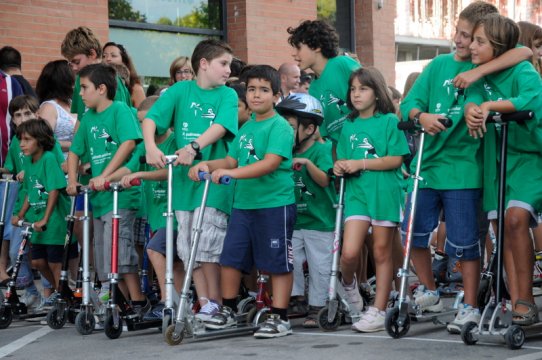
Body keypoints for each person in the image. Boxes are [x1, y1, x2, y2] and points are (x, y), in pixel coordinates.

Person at [400, 1, 533, 334]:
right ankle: (431, 290)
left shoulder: (496, 65)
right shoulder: (440, 66)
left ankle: (484, 303)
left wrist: (479, 81)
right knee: (414, 232)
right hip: (437, 164)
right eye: (459, 34)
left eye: (469, 36)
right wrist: (422, 116)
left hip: (477, 167)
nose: (462, 42)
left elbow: (523, 53)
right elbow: (411, 104)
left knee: (474, 238)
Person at [188, 65, 296, 338]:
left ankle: (280, 318)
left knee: (276, 262)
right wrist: (207, 164)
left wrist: (230, 173)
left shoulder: (280, 127)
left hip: (274, 205)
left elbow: (270, 164)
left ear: (276, 96)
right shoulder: (246, 128)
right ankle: (228, 311)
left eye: (263, 90)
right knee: (230, 259)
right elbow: (230, 161)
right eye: (251, 90)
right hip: (243, 206)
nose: (256, 95)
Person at [142, 39, 238, 321]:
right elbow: (151, 120)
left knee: (207, 241)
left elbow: (220, 127)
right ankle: (205, 301)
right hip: (184, 184)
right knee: (187, 247)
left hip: (212, 183)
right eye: (223, 64)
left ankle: (218, 305)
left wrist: (194, 147)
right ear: (204, 64)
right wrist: (150, 146)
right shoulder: (180, 90)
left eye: (229, 65)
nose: (228, 70)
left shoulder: (227, 95)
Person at [465, 13, 542, 326]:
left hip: (529, 157)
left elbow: (530, 100)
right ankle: (514, 300)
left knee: (516, 219)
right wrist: (472, 110)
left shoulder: (525, 71)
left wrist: (489, 107)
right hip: (497, 161)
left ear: (497, 45)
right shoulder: (477, 75)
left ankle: (525, 300)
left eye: (479, 41)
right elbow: (471, 98)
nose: (471, 46)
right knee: (502, 231)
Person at [66, 63, 150, 315]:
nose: (80, 94)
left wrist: (105, 175)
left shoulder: (120, 110)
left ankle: (138, 302)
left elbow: (127, 144)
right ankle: (121, 303)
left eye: (84, 88)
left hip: (121, 196)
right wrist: (72, 180)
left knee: (120, 253)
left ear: (101, 89)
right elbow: (74, 151)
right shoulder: (88, 118)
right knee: (105, 258)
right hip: (100, 199)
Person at [334, 67, 409, 332]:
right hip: (357, 195)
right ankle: (351, 291)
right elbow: (342, 159)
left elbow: (396, 159)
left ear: (377, 93)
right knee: (349, 252)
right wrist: (339, 166)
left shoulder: (389, 121)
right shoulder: (348, 125)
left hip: (385, 194)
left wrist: (359, 162)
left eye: (363, 89)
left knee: (381, 251)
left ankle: (378, 310)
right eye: (353, 89)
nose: (356, 94)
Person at [107, 96, 185, 320]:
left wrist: (140, 174)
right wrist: (105, 179)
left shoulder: (176, 142)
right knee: (174, 261)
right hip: (157, 217)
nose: (144, 127)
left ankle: (165, 301)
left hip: (176, 215)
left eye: (147, 122)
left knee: (153, 249)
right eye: (141, 123)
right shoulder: (144, 146)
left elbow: (170, 171)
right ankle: (178, 305)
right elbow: (128, 168)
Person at [275, 93, 336, 328]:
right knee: (290, 258)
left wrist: (308, 164)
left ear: (309, 128)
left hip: (320, 220)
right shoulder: (284, 152)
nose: (286, 132)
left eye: (290, 127)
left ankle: (318, 305)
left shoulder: (322, 150)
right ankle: (296, 297)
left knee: (320, 263)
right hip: (295, 219)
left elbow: (324, 181)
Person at [11, 119, 70, 298]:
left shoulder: (49, 159)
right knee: (37, 261)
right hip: (36, 221)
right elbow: (30, 190)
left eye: (27, 139)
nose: (22, 144)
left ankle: (63, 295)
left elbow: (53, 190)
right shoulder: (29, 162)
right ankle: (62, 293)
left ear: (40, 139)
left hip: (53, 221)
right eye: (20, 140)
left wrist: (45, 218)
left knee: (54, 262)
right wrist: (20, 213)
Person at [287, 20, 361, 143]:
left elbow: (375, 92)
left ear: (316, 46)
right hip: (344, 154)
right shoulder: (313, 89)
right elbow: (329, 135)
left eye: (298, 48)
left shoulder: (342, 64)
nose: (293, 54)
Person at [35, 60, 76, 158]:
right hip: (58, 166)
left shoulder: (72, 102)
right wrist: (75, 146)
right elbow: (43, 140)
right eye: (73, 75)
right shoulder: (49, 108)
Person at [102, 42, 146, 108]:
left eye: (113, 56)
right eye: (104, 56)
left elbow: (142, 115)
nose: (108, 59)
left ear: (124, 61)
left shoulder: (136, 89)